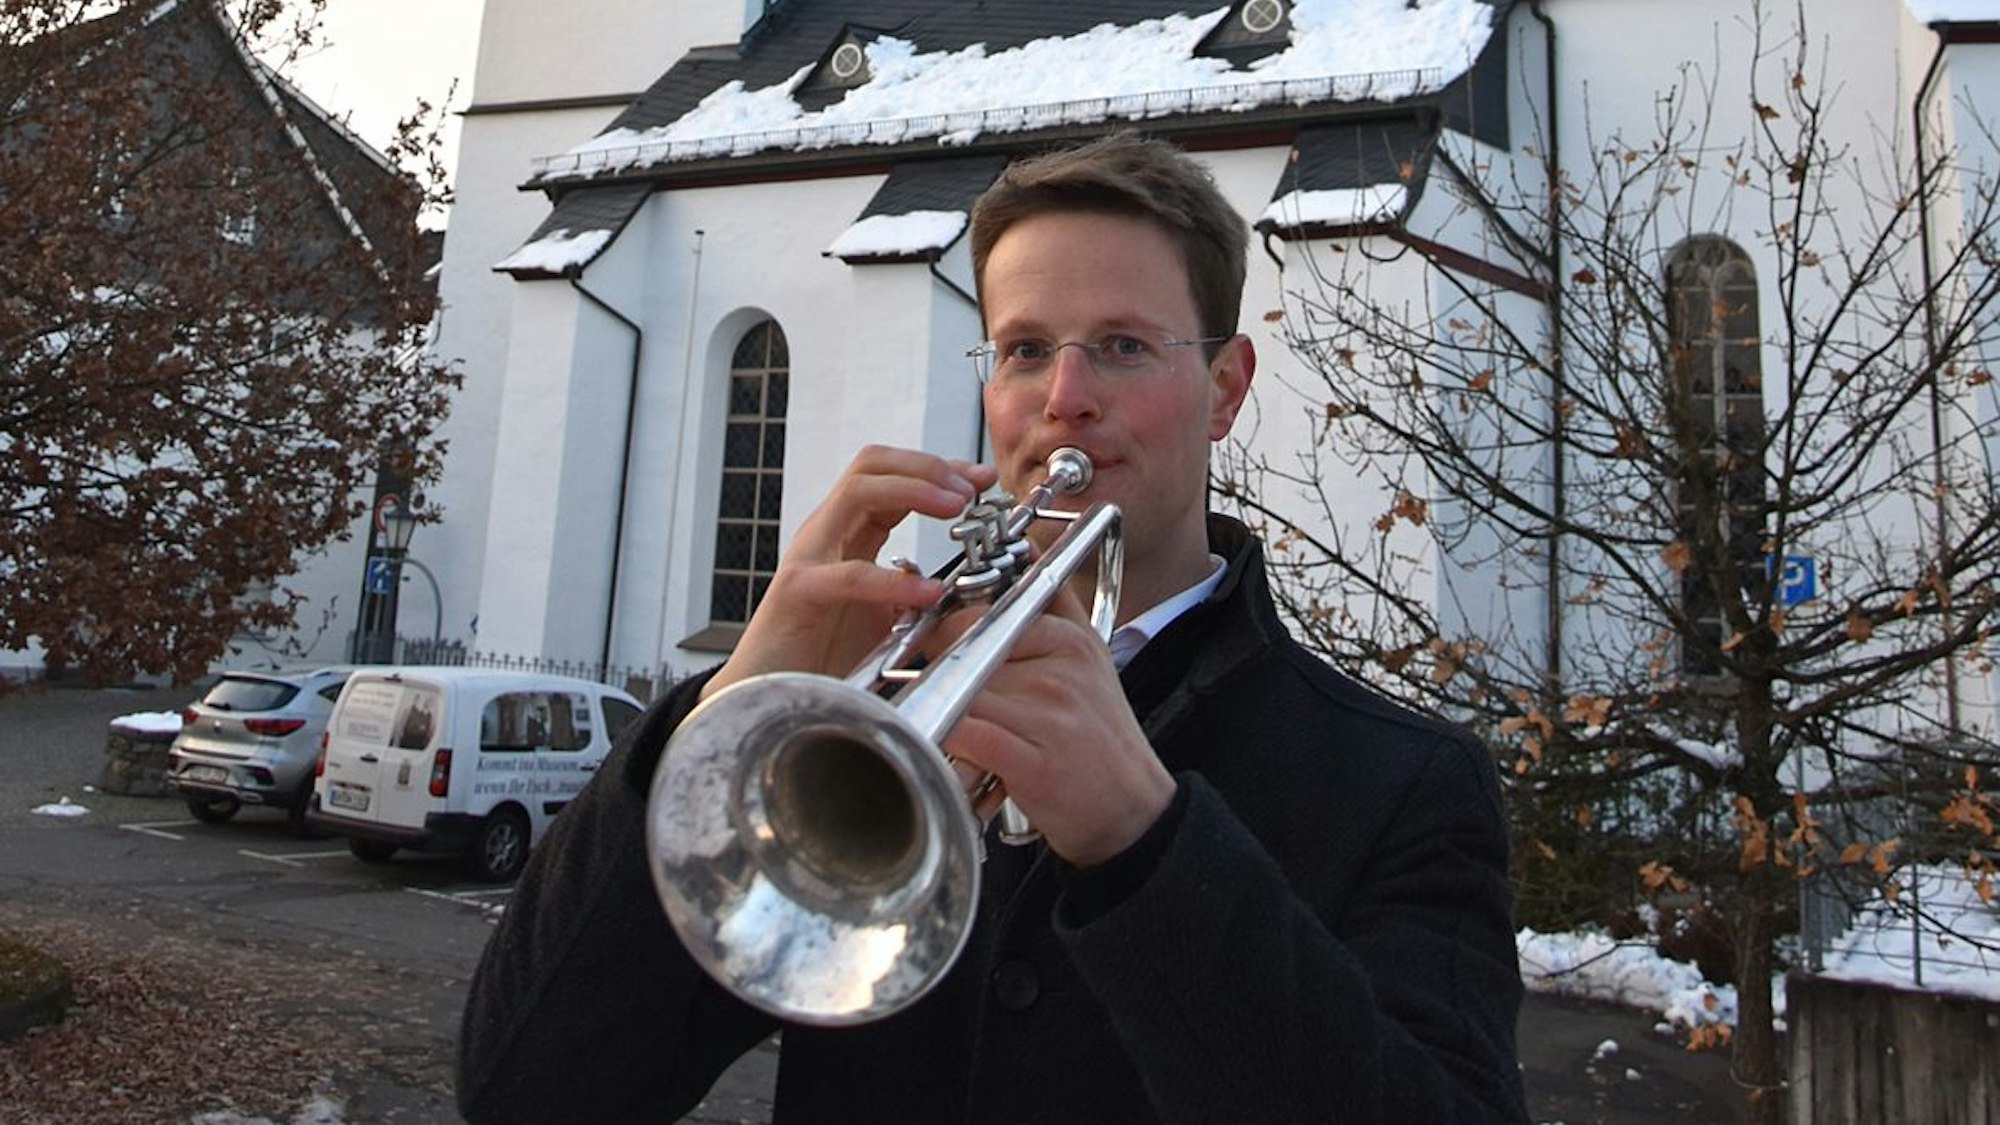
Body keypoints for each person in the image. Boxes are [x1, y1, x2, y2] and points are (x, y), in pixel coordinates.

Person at [457, 132, 1528, 1124]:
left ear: (1223, 388)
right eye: (1022, 350)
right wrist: (729, 704)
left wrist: (1145, 848)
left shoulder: (1405, 785)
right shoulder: (878, 715)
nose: (1063, 397)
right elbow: (530, 1092)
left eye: (1119, 345)